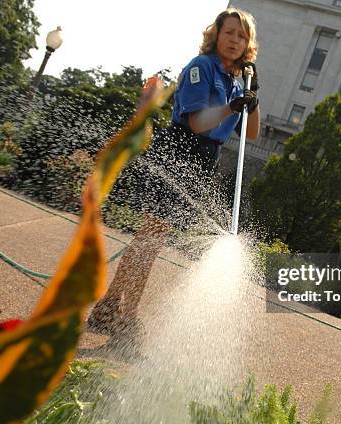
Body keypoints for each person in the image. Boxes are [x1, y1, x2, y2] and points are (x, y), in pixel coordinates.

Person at [87, 7, 261, 349]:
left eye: (241, 36)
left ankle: (108, 307)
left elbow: (251, 135)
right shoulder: (202, 67)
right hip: (181, 148)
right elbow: (196, 123)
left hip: (203, 159)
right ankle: (125, 321)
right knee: (150, 241)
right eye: (229, 33)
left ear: (247, 45)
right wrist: (232, 106)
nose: (235, 41)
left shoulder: (237, 81)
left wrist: (253, 102)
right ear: (217, 34)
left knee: (150, 239)